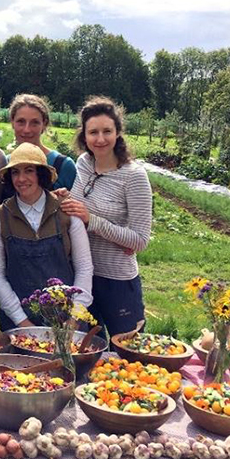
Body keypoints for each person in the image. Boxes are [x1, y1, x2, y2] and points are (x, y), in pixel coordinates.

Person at [60, 96, 152, 336]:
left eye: (107, 131)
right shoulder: (84, 163)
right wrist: (64, 199)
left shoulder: (134, 176)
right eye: (93, 132)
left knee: (126, 350)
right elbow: (78, 208)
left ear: (118, 132)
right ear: (84, 135)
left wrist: (93, 221)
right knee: (85, 349)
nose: (100, 139)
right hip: (82, 276)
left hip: (117, 280)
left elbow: (140, 240)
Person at [0, 143, 93, 332]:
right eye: (15, 172)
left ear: (41, 174)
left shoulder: (66, 211)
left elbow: (84, 267)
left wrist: (74, 318)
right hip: (18, 320)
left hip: (67, 319)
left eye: (29, 171)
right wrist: (23, 323)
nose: (21, 179)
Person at [0, 94, 77, 202]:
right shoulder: (5, 163)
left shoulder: (63, 166)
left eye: (35, 123)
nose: (27, 129)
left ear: (44, 124)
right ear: (12, 123)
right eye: (21, 122)